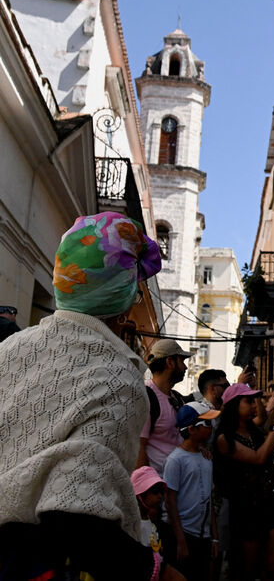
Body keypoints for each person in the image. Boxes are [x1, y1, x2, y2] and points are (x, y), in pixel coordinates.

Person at [0, 211, 183, 579]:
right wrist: (157, 571)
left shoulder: (10, 348)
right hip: (40, 564)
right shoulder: (118, 377)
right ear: (128, 296)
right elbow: (75, 516)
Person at [215, 382, 274, 581]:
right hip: (247, 509)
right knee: (248, 569)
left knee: (272, 566)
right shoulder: (225, 439)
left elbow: (268, 450)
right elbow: (258, 458)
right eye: (248, 401)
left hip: (271, 502)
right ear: (233, 406)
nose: (254, 405)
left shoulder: (254, 431)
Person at [164, 402, 220, 581]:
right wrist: (180, 541)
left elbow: (209, 497)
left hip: (203, 534)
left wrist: (214, 537)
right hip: (185, 533)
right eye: (206, 424)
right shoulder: (175, 460)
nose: (211, 428)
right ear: (191, 429)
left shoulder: (206, 457)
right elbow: (170, 500)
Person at [140, 338, 194, 474]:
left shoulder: (177, 398)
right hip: (159, 486)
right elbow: (138, 447)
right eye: (182, 361)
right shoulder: (146, 397)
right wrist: (149, 488)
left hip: (176, 486)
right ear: (170, 362)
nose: (185, 367)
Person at [132, 465, 168, 554]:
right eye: (155, 491)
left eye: (161, 491)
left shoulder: (153, 523)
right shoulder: (132, 526)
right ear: (140, 494)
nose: (160, 496)